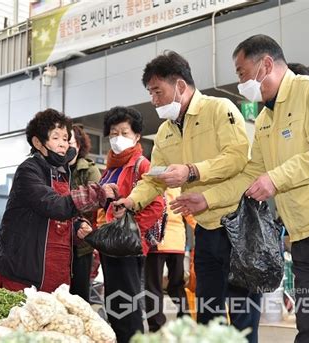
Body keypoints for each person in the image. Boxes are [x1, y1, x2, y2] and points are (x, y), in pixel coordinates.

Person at [171, 34, 309, 343]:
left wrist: (275, 179)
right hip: (300, 237)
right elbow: (251, 174)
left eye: (240, 72)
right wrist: (207, 199)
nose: (239, 82)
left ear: (265, 64)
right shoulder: (265, 119)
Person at [113, 51, 261, 342]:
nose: (154, 100)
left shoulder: (220, 109)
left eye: (158, 91)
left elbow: (237, 157)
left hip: (237, 225)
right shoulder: (166, 132)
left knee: (242, 313)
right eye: (151, 93)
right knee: (207, 312)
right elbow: (153, 177)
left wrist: (192, 171)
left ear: (180, 86)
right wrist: (131, 201)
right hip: (205, 230)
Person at [0, 108, 110, 293]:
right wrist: (97, 193)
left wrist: (76, 225)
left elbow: (59, 218)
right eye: (56, 138)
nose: (63, 144)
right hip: (25, 271)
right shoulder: (29, 170)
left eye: (65, 138)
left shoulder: (62, 173)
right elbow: (53, 206)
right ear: (38, 142)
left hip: (56, 269)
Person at [99, 106, 164, 343]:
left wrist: (131, 226)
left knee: (128, 305)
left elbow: (157, 205)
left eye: (124, 133)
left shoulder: (142, 165)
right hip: (109, 245)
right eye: (113, 133)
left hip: (128, 245)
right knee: (114, 303)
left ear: (137, 136)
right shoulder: (110, 168)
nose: (118, 138)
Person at [144, 187, 188, 332]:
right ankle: (184, 319)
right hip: (173, 241)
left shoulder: (151, 185)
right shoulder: (180, 186)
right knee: (177, 284)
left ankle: (156, 325)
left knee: (153, 285)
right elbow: (191, 215)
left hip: (158, 241)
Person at [68, 124, 101, 302]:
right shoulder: (54, 170)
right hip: (57, 244)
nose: (65, 146)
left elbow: (96, 202)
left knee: (79, 297)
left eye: (69, 142)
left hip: (82, 244)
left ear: (79, 145)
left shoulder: (89, 170)